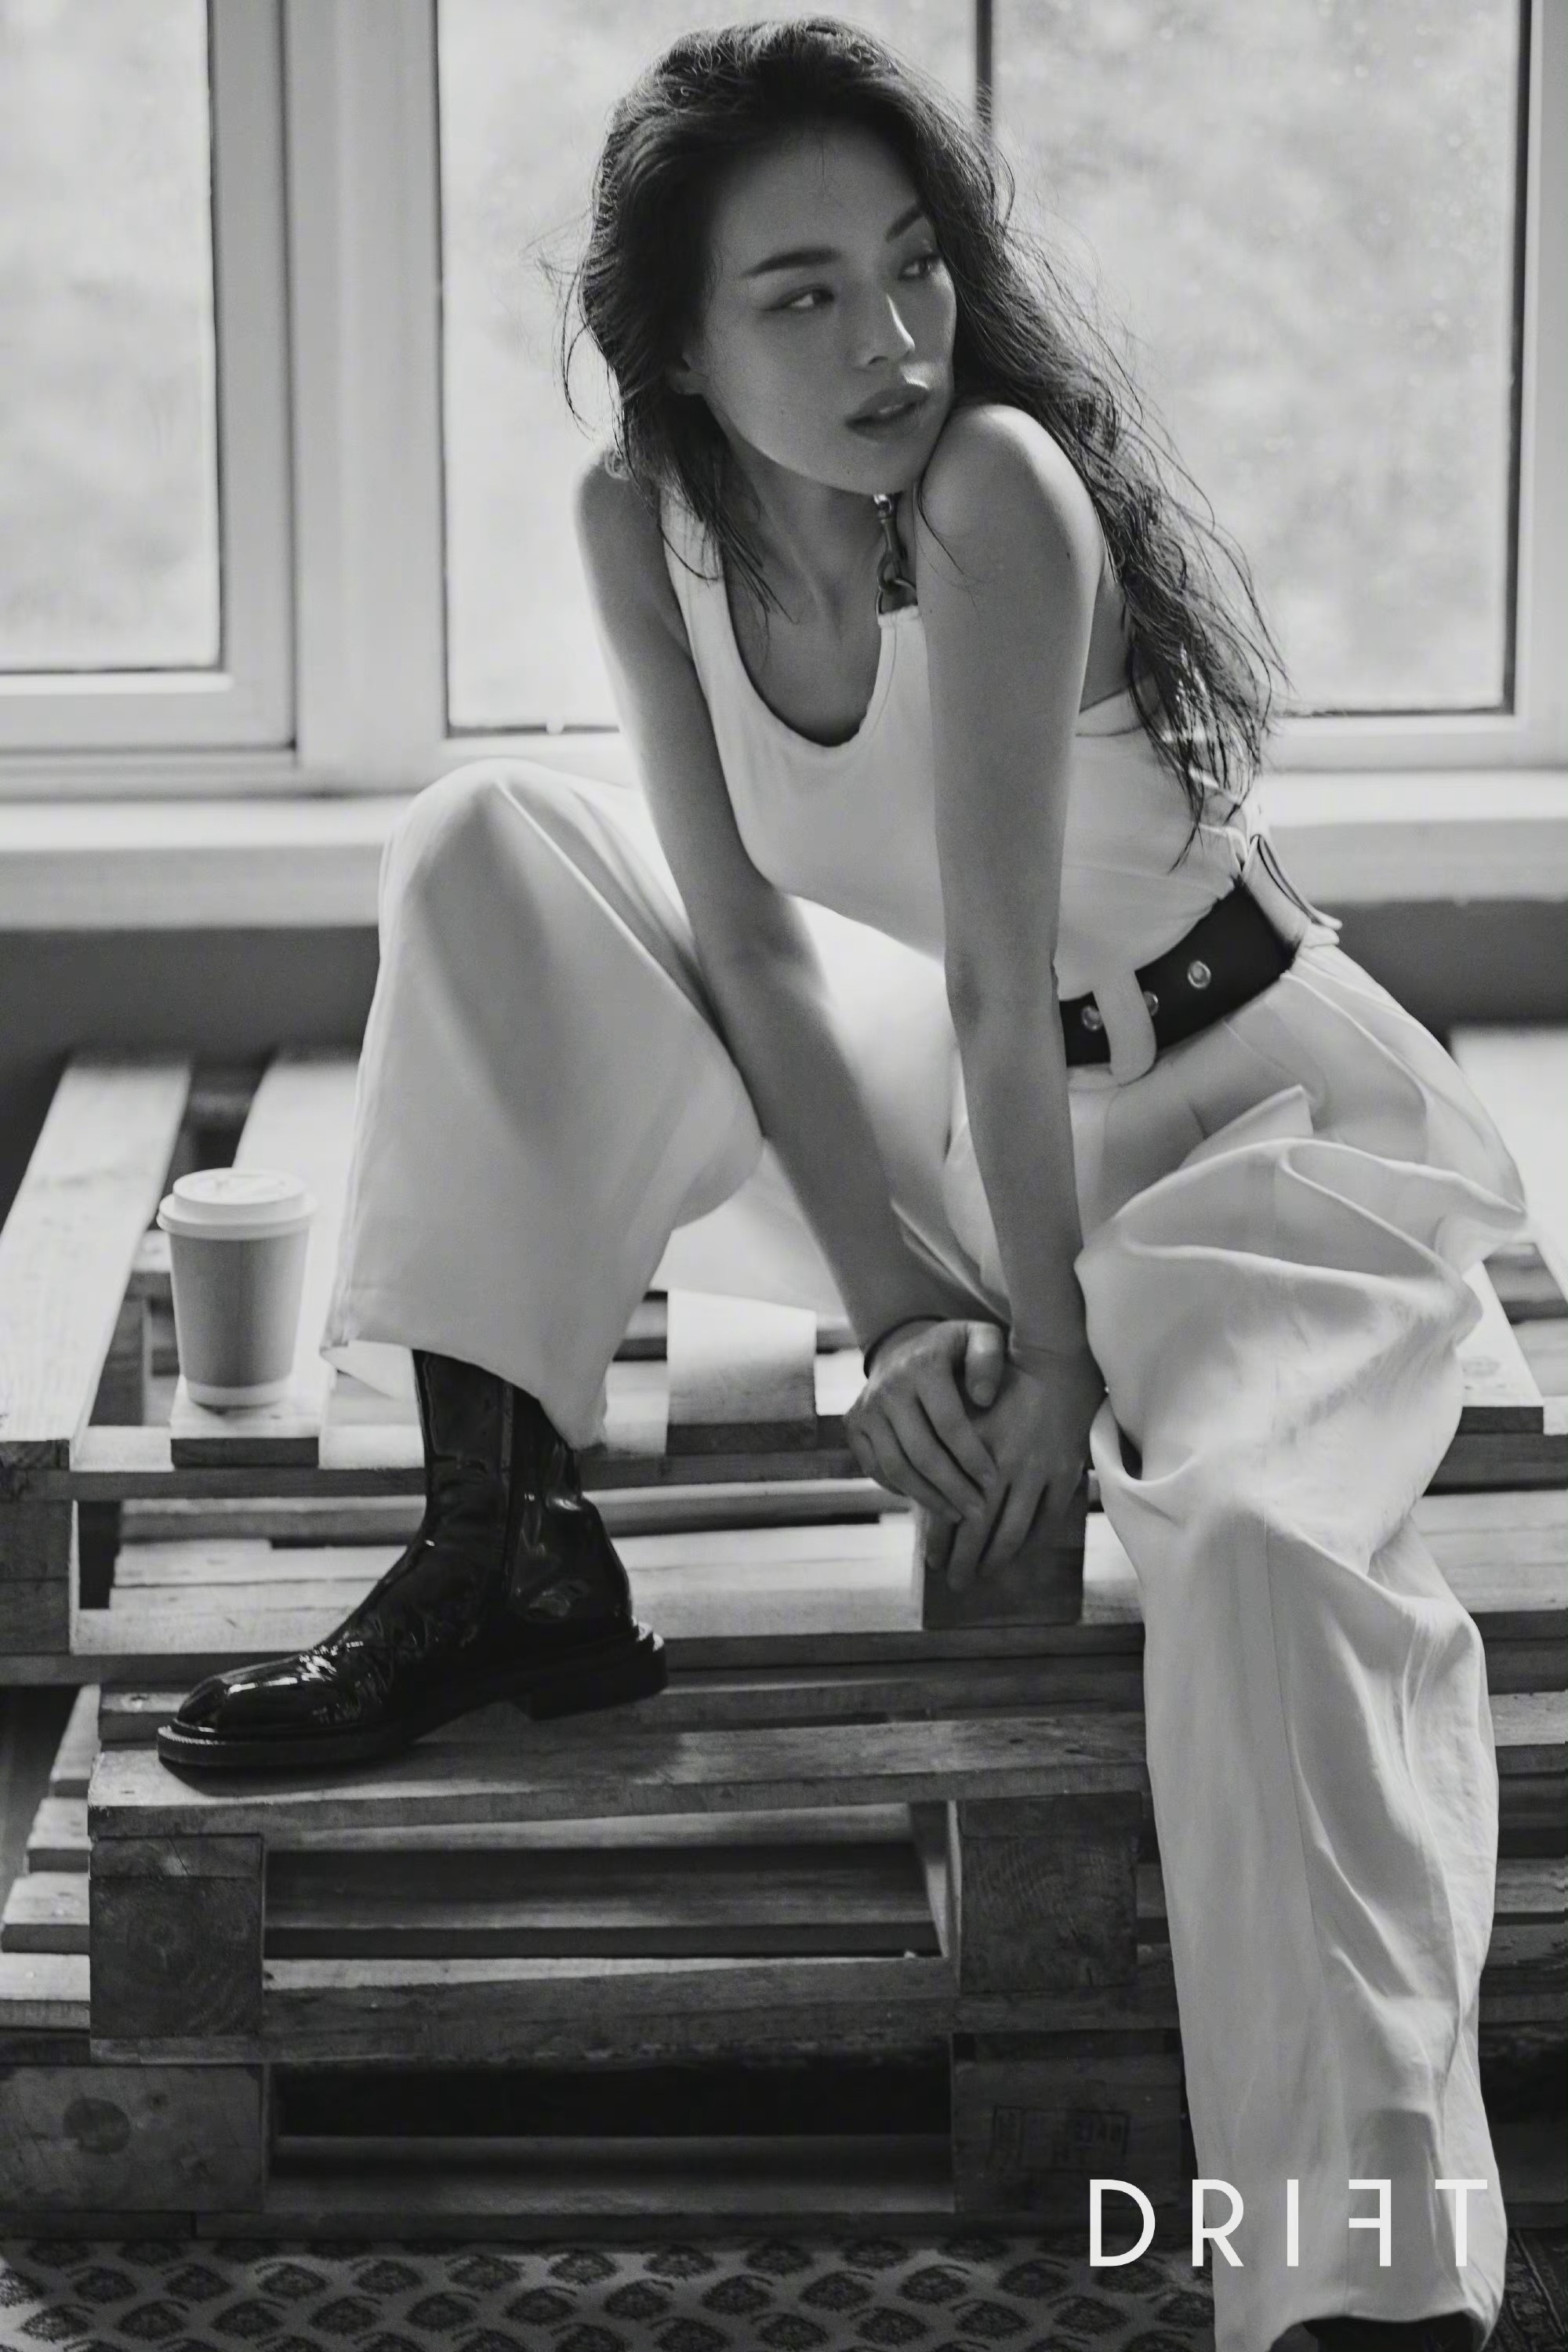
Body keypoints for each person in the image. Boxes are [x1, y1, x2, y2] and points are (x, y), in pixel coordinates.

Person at [157, 21, 1528, 2352]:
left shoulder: (992, 490)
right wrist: (898, 1303)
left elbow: (1002, 974)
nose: (891, 338)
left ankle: (1366, 2292)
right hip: (977, 1120)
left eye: (911, 267)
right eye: (801, 295)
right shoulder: (645, 520)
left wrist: (1043, 1360)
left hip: (1248, 1128)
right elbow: (758, 946)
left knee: (1266, 1557)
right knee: (489, 835)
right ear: (678, 347)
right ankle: (503, 1543)